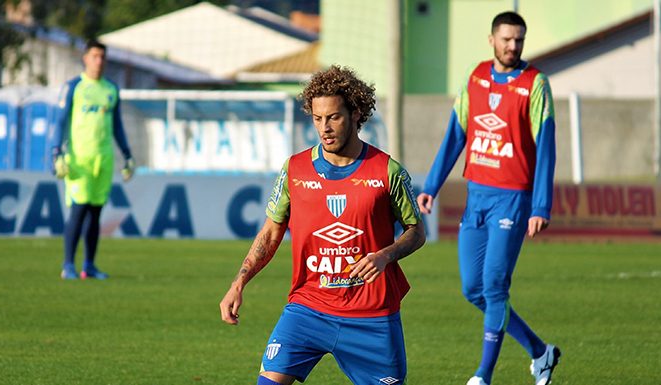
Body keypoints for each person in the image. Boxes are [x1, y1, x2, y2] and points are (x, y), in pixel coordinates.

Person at [220, 65, 426, 385]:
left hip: (371, 317)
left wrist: (385, 255)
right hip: (308, 309)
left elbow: (416, 231)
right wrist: (239, 283)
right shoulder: (295, 169)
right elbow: (271, 232)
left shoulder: (388, 171)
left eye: (333, 117)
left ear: (356, 113)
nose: (324, 128)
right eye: (317, 118)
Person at [416, 12, 560, 385]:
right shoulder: (476, 77)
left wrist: (541, 205)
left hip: (513, 198)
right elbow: (456, 133)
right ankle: (541, 353)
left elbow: (546, 149)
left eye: (519, 40)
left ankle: (483, 375)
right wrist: (431, 185)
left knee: (495, 286)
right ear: (492, 39)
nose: (513, 46)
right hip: (475, 195)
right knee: (473, 290)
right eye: (507, 39)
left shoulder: (535, 84)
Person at [52, 39, 135, 280]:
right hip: (79, 159)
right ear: (85, 58)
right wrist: (56, 152)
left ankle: (89, 265)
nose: (99, 61)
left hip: (104, 159)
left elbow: (117, 126)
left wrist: (127, 155)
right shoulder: (74, 87)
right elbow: (59, 121)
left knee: (96, 214)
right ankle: (68, 265)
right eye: (95, 56)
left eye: (102, 57)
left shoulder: (110, 89)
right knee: (78, 211)